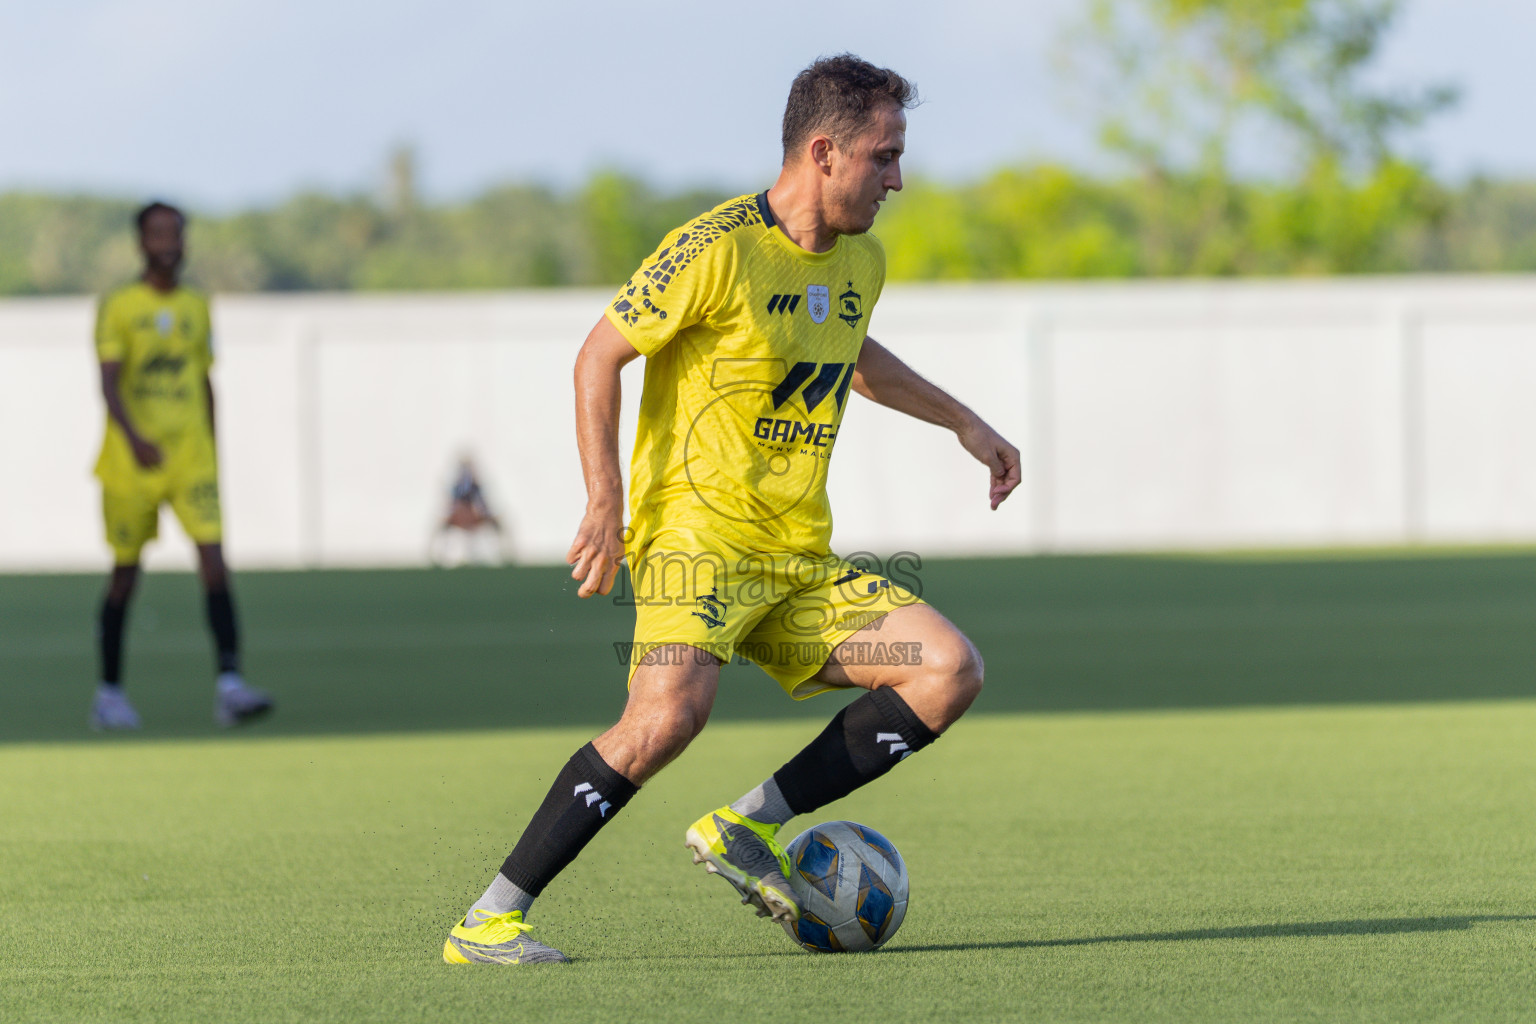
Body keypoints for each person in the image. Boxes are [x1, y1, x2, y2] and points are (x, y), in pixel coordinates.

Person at [443, 54, 1019, 964]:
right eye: (885, 156)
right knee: (666, 717)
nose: (898, 179)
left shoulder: (860, 259)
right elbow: (598, 356)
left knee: (946, 668)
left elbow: (854, 355)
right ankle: (490, 918)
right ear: (824, 151)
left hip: (797, 564)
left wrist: (965, 422)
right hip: (696, 545)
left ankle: (746, 828)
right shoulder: (715, 247)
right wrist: (606, 502)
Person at [89, 201, 273, 731]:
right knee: (125, 575)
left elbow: (204, 378)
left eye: (176, 233)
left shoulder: (197, 306)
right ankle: (109, 694)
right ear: (141, 242)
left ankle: (231, 687)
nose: (169, 242)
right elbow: (107, 381)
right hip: (132, 463)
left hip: (191, 459)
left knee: (214, 564)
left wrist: (212, 447)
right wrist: (135, 437)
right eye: (158, 233)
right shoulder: (119, 307)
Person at [429, 455, 507, 566]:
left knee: (497, 524)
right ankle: (437, 558)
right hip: (460, 515)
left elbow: (483, 505)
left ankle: (504, 555)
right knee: (441, 527)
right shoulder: (457, 487)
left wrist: (479, 514)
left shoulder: (476, 486)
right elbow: (451, 505)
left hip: (475, 514)